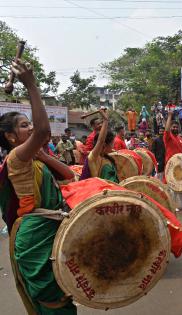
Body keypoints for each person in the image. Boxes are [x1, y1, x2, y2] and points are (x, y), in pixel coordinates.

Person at [0, 58, 76, 314]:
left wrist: (43, 155)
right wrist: (31, 84)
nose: (31, 128)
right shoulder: (15, 158)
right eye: (24, 126)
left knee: (65, 299)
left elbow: (69, 176)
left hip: (52, 232)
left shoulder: (34, 160)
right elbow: (43, 131)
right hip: (35, 238)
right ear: (11, 138)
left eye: (29, 124)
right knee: (55, 304)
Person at [164, 110, 182, 210]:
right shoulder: (168, 136)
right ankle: (173, 206)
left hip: (180, 165)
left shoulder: (180, 138)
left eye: (176, 127)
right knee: (173, 186)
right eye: (173, 127)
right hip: (171, 165)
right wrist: (170, 116)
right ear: (171, 128)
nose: (175, 128)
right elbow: (166, 130)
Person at [81, 109, 118, 183]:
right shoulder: (95, 156)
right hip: (96, 191)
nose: (113, 146)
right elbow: (100, 141)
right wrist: (106, 120)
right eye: (112, 144)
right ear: (104, 145)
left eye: (101, 123)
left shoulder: (107, 158)